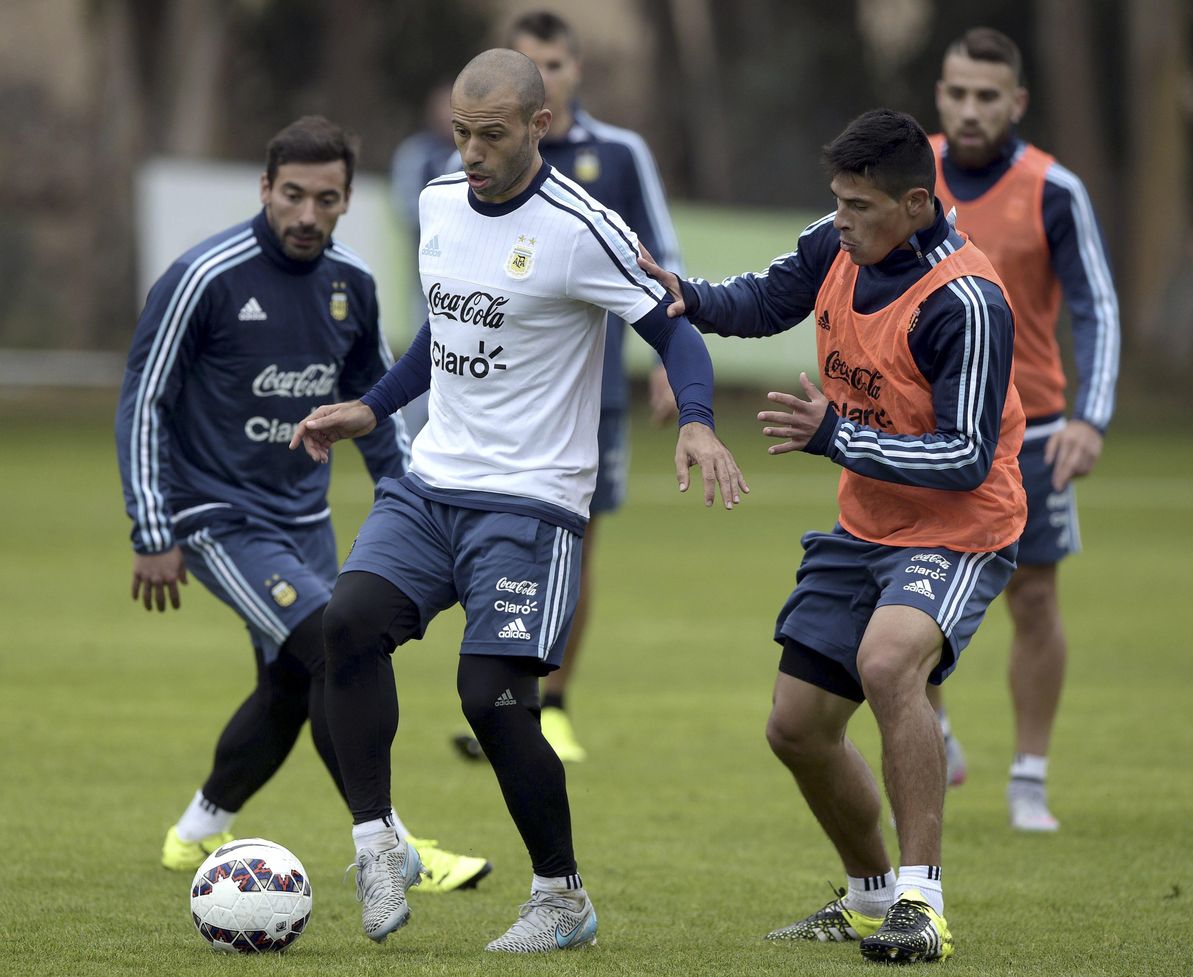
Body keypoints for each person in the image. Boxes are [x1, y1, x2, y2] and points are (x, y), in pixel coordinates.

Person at [289, 49, 746, 952]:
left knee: (490, 694)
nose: (469, 152)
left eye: (490, 135)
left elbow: (673, 329)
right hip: (432, 482)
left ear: (539, 126)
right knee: (345, 625)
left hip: (533, 501)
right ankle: (379, 841)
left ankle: (560, 896)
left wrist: (695, 417)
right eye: (460, 132)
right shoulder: (436, 202)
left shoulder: (584, 227)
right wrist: (372, 406)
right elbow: (445, 325)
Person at [639, 108, 1026, 964]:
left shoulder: (967, 302)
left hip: (960, 529)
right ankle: (869, 897)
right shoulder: (837, 243)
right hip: (868, 523)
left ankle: (922, 905)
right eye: (837, 201)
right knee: (797, 728)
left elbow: (965, 457)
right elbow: (768, 299)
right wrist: (686, 296)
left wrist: (835, 437)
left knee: (890, 662)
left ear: (917, 205)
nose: (839, 220)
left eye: (858, 206)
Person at [115, 115, 491, 893]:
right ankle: (393, 847)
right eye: (292, 195)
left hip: (305, 520)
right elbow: (143, 401)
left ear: (348, 200)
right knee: (332, 645)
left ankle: (196, 831)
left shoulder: (351, 283)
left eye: (327, 198)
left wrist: (411, 500)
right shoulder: (203, 277)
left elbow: (376, 404)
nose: (307, 214)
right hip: (216, 516)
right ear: (264, 189)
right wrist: (153, 528)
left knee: (291, 683)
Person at [448, 10, 682, 764]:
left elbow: (658, 260)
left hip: (592, 395)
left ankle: (553, 703)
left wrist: (668, 366)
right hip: (492, 396)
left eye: (552, 59)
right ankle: (507, 697)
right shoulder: (475, 160)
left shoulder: (617, 154)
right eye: (526, 59)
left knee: (573, 548)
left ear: (573, 70)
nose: (541, 69)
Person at [929, 27, 1120, 831]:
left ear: (1017, 102)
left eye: (987, 96)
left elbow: (1096, 307)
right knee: (900, 597)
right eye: (957, 93)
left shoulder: (1053, 190)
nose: (970, 111)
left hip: (1032, 432)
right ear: (940, 93)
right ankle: (932, 729)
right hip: (928, 431)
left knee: (1035, 602)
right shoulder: (906, 173)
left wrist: (1091, 416)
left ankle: (1029, 778)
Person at [389, 81, 455, 435]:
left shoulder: (481, 152)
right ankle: (413, 438)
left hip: (477, 279)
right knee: (425, 354)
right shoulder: (417, 153)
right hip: (428, 280)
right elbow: (406, 207)